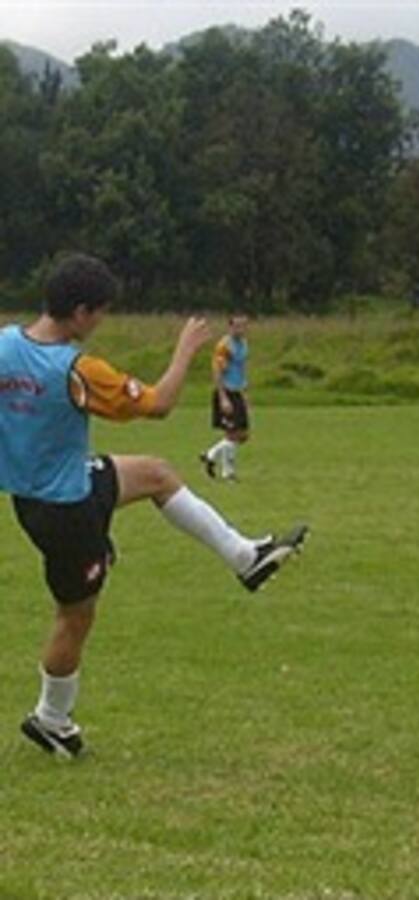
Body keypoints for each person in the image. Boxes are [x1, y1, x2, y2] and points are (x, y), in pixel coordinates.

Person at [1, 254, 307, 759]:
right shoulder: (78, 370)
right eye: (99, 312)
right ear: (79, 311)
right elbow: (159, 403)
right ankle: (51, 719)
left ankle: (244, 558)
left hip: (40, 496)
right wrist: (186, 350)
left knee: (157, 474)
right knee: (74, 616)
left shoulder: (6, 345)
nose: (100, 322)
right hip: (68, 510)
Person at [200, 313, 250, 481]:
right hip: (227, 391)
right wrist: (222, 397)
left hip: (237, 391)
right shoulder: (224, 346)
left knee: (242, 435)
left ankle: (210, 455)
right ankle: (228, 473)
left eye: (243, 326)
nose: (240, 329)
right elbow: (217, 371)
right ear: (229, 327)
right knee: (232, 434)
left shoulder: (243, 344)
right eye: (237, 326)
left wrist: (245, 392)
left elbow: (242, 368)